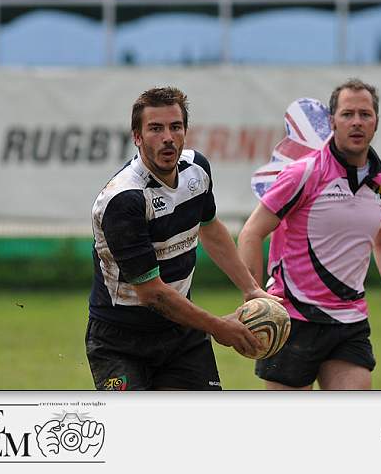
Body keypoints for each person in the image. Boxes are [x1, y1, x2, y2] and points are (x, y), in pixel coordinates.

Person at [86, 86, 279, 391]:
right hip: (121, 341)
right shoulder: (124, 199)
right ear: (137, 137)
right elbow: (153, 295)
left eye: (175, 127)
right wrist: (219, 328)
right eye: (155, 128)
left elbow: (211, 228)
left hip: (181, 332)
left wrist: (251, 288)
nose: (168, 137)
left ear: (185, 131)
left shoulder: (197, 170)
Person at [237, 78, 381, 390]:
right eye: (347, 114)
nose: (356, 122)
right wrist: (253, 296)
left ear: (376, 123)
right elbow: (250, 233)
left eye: (365, 114)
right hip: (292, 319)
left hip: (350, 321)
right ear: (332, 121)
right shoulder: (304, 174)